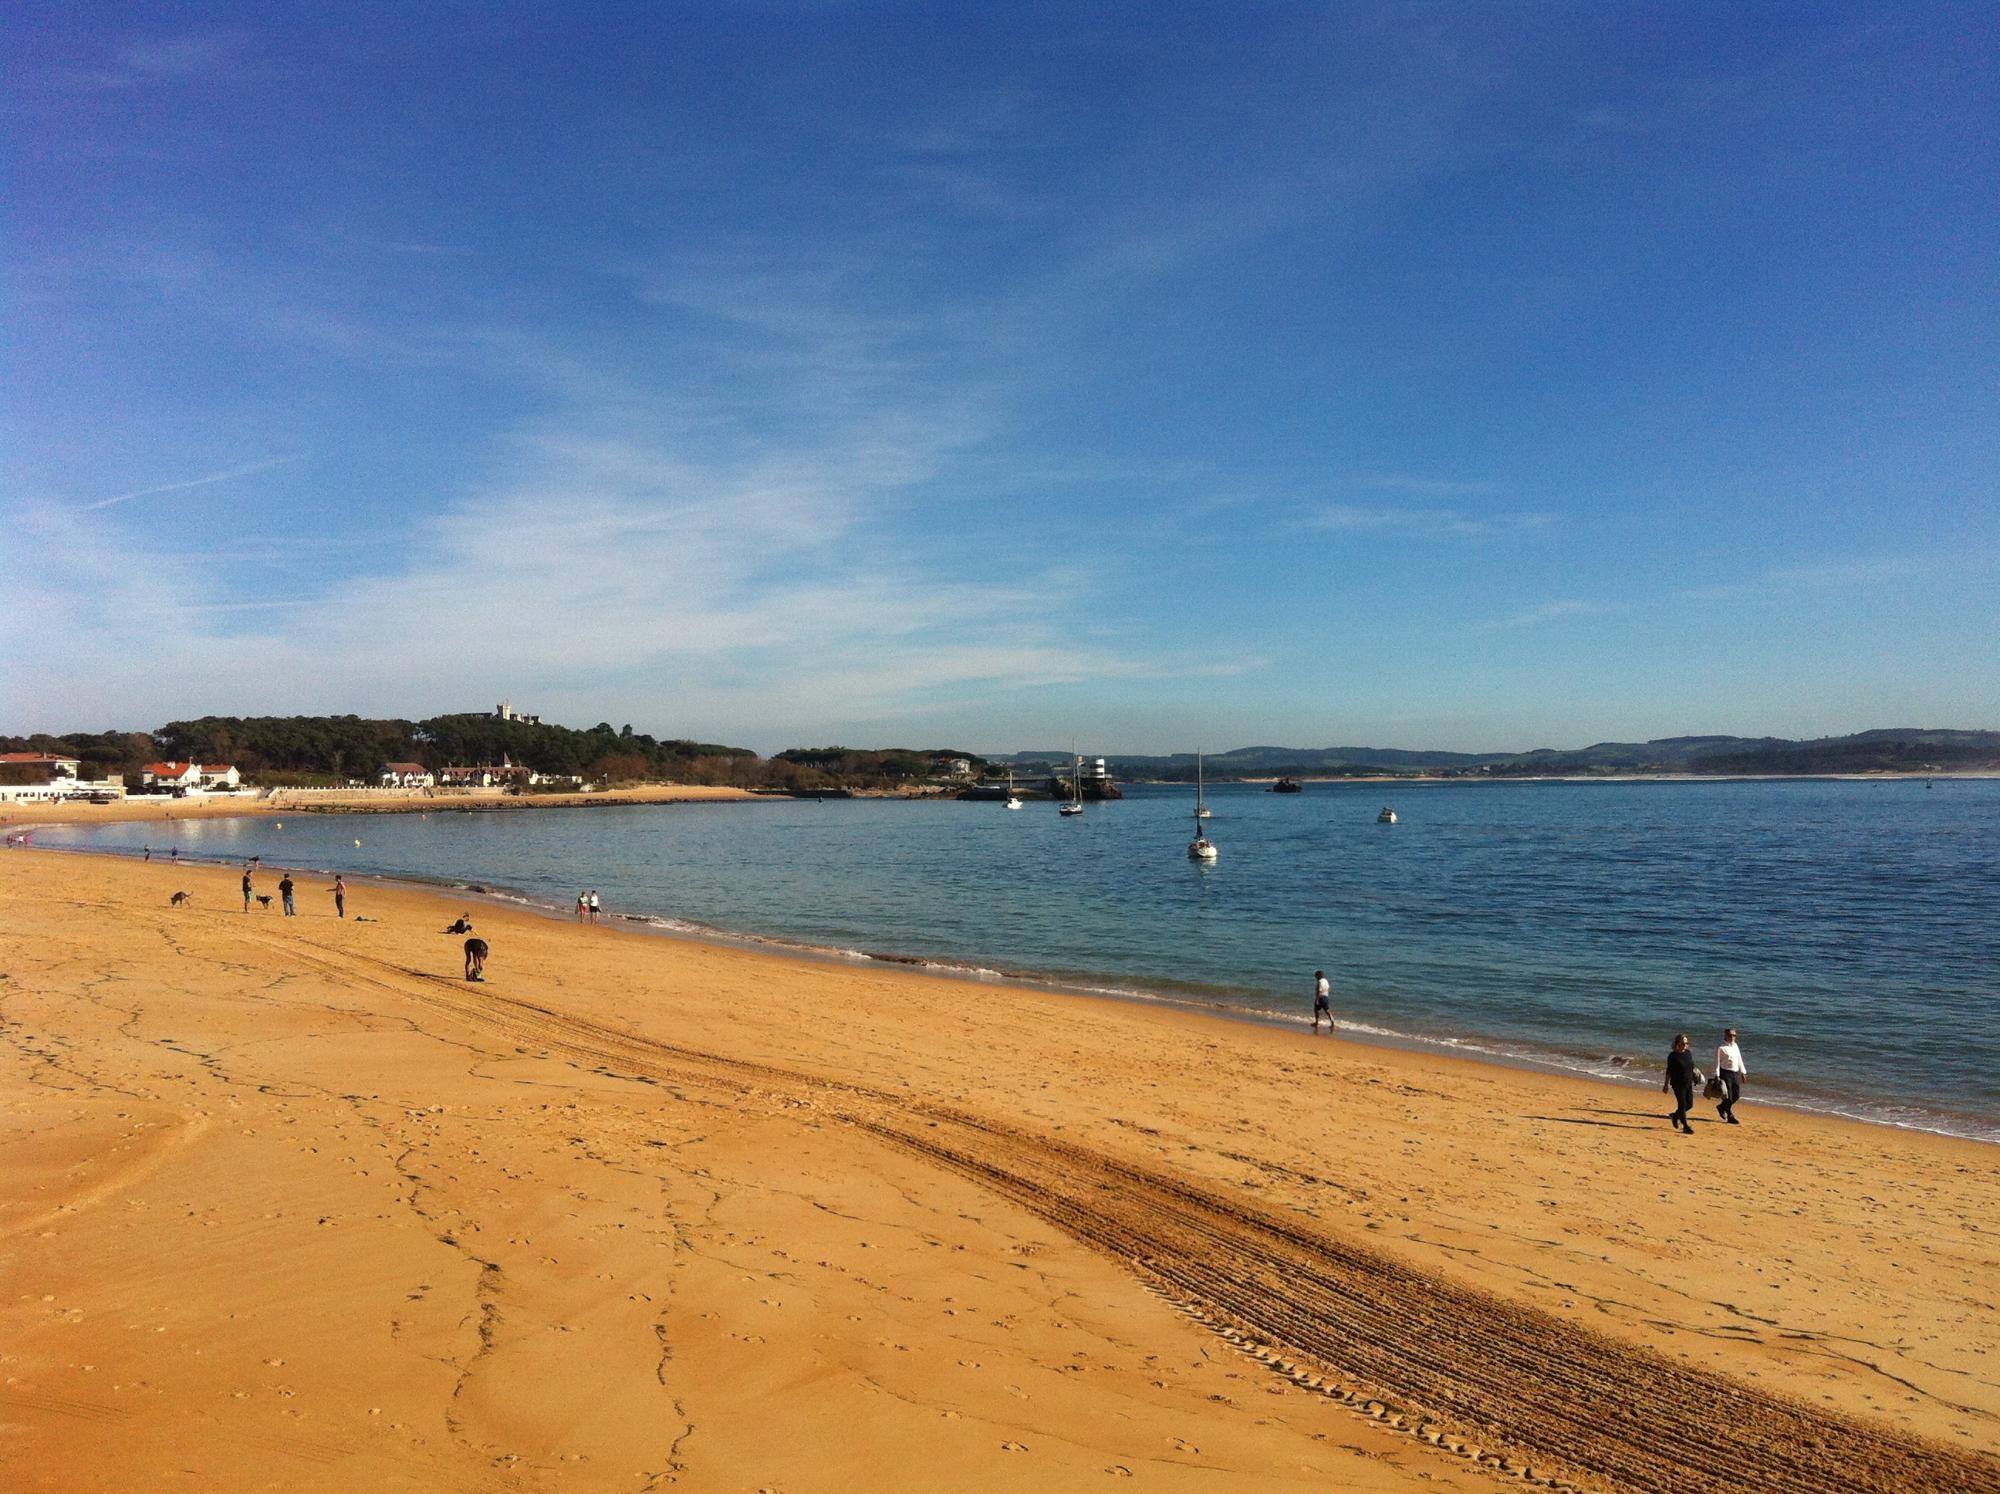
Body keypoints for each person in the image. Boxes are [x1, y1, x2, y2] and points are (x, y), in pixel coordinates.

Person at [1663, 1034, 1697, 1133]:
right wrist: (1665, 1085)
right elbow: (1668, 1071)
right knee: (1682, 1105)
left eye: (1687, 1043)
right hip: (1678, 1084)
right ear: (1677, 1043)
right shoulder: (1672, 1056)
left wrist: (1695, 1077)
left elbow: (1691, 1066)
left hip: (1688, 1082)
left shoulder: (1688, 1053)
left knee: (1689, 1105)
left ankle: (1675, 1116)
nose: (1686, 1045)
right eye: (1683, 1043)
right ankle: (1685, 1126)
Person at [1714, 1028, 1747, 1124]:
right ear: (1725, 1036)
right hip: (1725, 1073)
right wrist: (1717, 1075)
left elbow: (1739, 1059)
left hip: (1735, 1073)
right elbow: (1716, 1062)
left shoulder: (1735, 1046)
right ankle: (1730, 1116)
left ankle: (1721, 1107)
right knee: (1728, 1097)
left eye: (1734, 1035)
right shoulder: (1720, 1048)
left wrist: (1743, 1072)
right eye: (1730, 1035)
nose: (1732, 1037)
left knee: (1736, 1095)